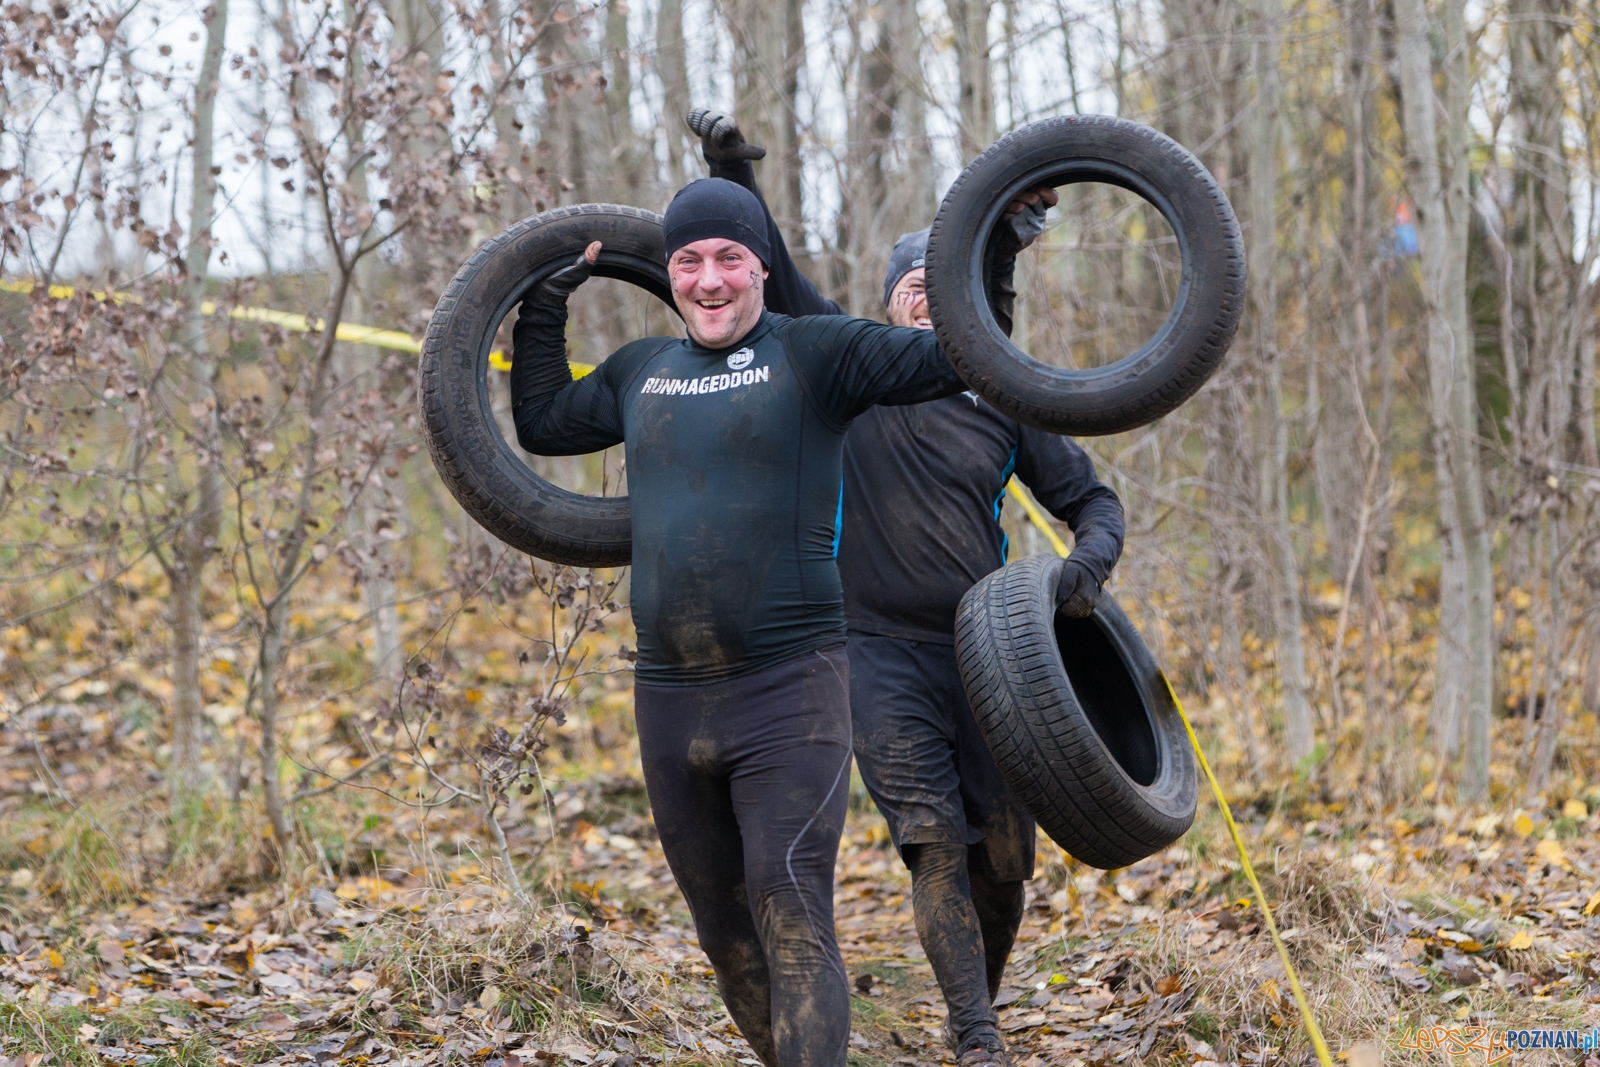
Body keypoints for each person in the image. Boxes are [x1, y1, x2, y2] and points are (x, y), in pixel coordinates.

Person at [508, 173, 1042, 1067]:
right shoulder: (642, 372)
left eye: (728, 257)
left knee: (792, 909)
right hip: (668, 697)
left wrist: (994, 253)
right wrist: (544, 303)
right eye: (688, 260)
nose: (708, 279)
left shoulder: (816, 354)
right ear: (668, 273)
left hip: (791, 689)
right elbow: (541, 423)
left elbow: (956, 356)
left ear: (760, 265)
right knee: (726, 938)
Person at [686, 109, 1127, 1067]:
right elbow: (789, 286)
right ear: (892, 305)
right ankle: (977, 1037)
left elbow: (1092, 498)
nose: (927, 306)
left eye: (943, 291)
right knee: (933, 840)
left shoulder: (1005, 400)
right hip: (872, 653)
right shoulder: (847, 381)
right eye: (913, 290)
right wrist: (732, 176)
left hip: (994, 659)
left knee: (1003, 861)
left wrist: (1085, 569)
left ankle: (978, 1007)